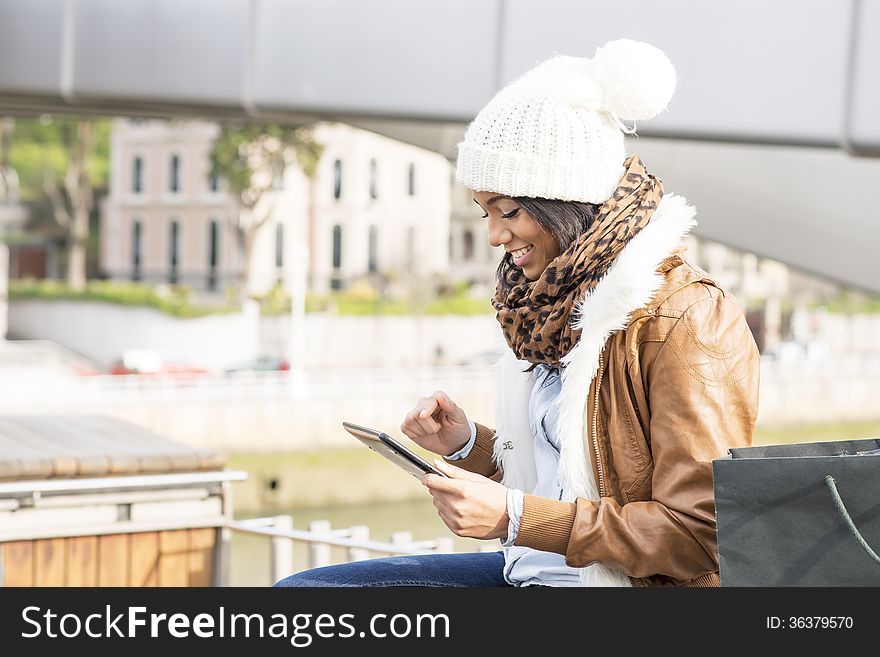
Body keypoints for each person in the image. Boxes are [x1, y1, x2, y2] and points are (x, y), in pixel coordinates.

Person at [274, 38, 760, 588]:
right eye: (484, 211)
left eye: (509, 211)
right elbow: (566, 481)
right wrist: (467, 447)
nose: (493, 235)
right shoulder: (544, 307)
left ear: (569, 202)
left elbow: (700, 538)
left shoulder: (687, 318)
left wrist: (514, 518)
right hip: (531, 572)